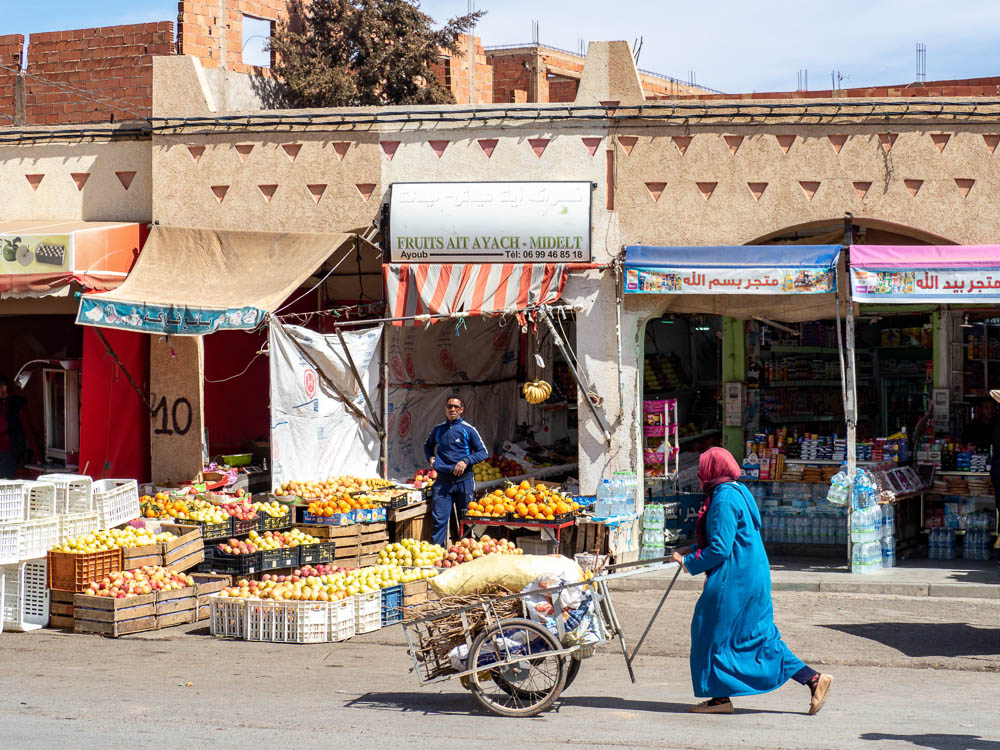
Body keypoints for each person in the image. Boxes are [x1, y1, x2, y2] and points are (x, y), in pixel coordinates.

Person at [672, 447, 833, 715]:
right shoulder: (737, 490)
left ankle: (722, 698)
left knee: (709, 633)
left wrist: (688, 563)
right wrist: (693, 547)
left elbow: (720, 548)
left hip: (734, 579)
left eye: (703, 470)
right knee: (753, 636)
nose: (701, 475)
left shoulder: (722, 499)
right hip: (750, 573)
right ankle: (810, 679)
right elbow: (729, 537)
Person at [424, 396, 488, 546]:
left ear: (461, 409)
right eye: (449, 406)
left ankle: (465, 554)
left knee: (465, 521)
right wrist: (431, 458)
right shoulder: (438, 430)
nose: (452, 409)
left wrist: (466, 461)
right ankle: (436, 556)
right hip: (442, 482)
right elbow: (427, 446)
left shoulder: (468, 430)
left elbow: (483, 452)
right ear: (445, 408)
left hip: (463, 482)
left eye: (456, 407)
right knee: (439, 521)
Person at [0, 373, 41, 479]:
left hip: (10, 453)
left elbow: (28, 430)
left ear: (4, 388)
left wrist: (38, 456)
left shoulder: (17, 404)